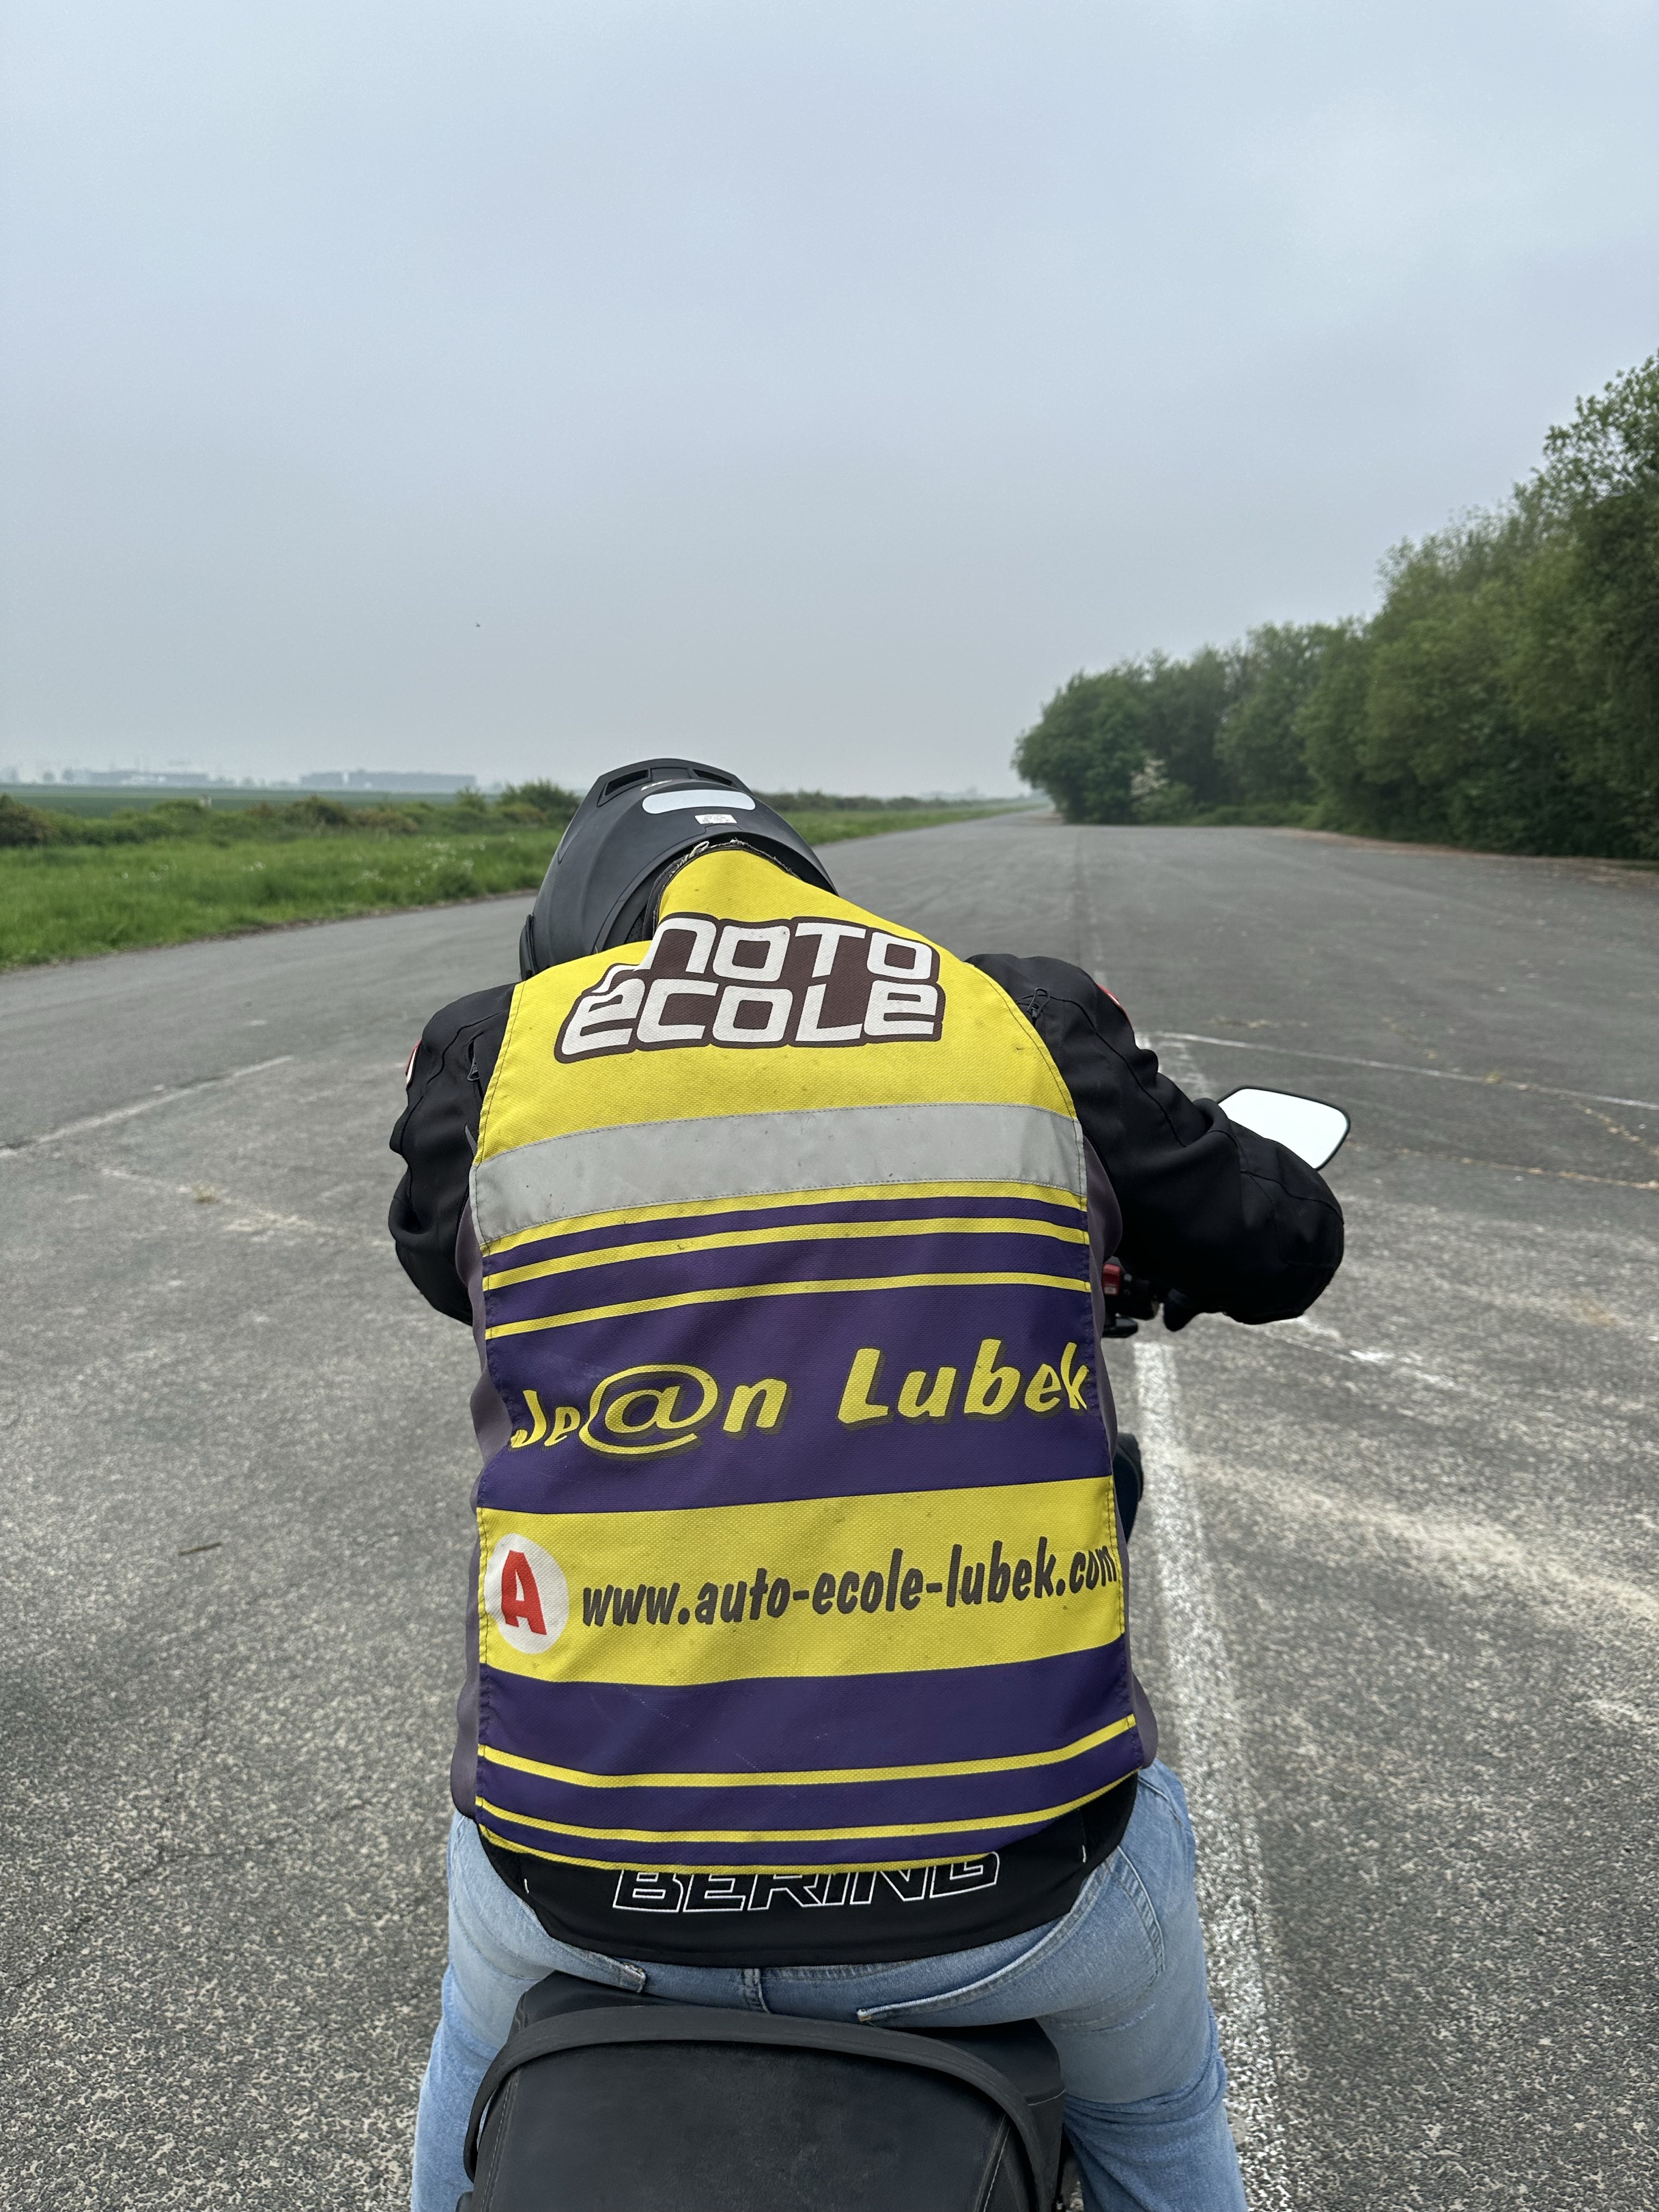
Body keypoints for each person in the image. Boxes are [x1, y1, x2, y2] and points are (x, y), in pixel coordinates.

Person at [389, 759, 1344, 2212]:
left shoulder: (493, 1053)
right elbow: (1284, 1246)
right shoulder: (1021, 1018)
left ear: (578, 927)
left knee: (470, 2088)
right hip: (1015, 1895)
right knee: (1161, 2122)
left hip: (579, 1894)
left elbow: (438, 1257)